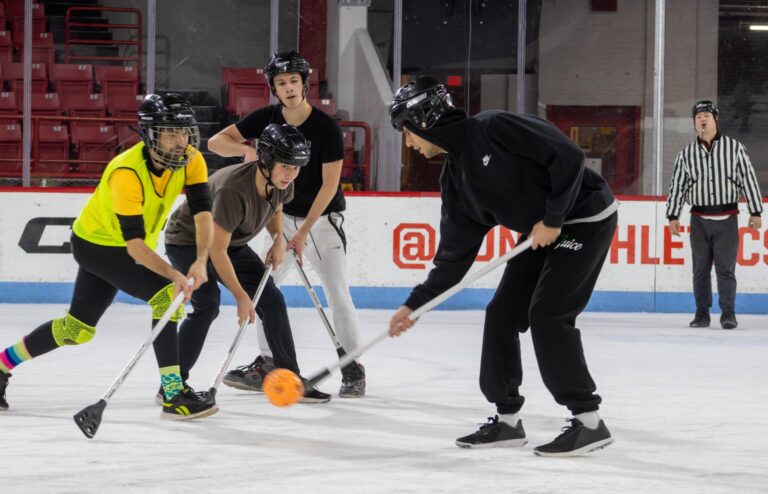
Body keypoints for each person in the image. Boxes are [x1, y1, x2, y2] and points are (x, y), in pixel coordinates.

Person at [386, 77, 619, 457]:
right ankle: (507, 420)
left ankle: (589, 422)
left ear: (425, 120)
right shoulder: (457, 182)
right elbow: (453, 259)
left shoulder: (494, 128)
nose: (408, 141)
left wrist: (555, 217)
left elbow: (569, 158)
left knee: (548, 313)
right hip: (539, 231)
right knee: (501, 314)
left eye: (407, 131)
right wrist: (415, 304)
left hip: (586, 217)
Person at [0, 93, 217, 420]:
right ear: (150, 134)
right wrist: (174, 275)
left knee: (76, 330)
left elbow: (202, 214)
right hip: (97, 246)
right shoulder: (125, 172)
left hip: (125, 248)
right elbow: (134, 247)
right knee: (164, 297)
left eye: (185, 132)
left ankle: (1, 365)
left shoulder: (190, 159)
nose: (181, 141)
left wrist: (200, 261)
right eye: (171, 133)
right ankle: (174, 394)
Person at [207, 50, 365, 398]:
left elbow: (329, 185)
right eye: (282, 83)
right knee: (267, 291)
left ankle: (352, 365)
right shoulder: (266, 118)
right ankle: (268, 361)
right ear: (274, 89)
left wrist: (304, 230)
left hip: (321, 222)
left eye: (294, 81)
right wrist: (248, 153)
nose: (289, 88)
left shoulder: (326, 128)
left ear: (305, 84)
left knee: (337, 293)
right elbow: (216, 142)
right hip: (278, 218)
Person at [163, 123, 330, 403]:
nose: (290, 174)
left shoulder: (282, 183)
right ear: (265, 160)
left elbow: (276, 207)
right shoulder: (233, 190)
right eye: (285, 166)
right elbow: (216, 251)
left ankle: (289, 375)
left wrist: (278, 239)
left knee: (273, 301)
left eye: (296, 167)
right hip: (188, 241)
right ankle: (171, 384)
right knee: (208, 304)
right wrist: (241, 296)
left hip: (232, 243)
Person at [666, 100, 763, 330]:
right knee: (700, 269)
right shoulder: (686, 154)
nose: (702, 119)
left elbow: (747, 179)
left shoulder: (734, 148)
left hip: (727, 219)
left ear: (715, 120)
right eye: (698, 116)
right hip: (698, 220)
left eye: (707, 115)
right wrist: (673, 215)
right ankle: (702, 313)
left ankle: (728, 313)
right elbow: (677, 186)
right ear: (693, 122)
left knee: (725, 270)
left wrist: (755, 210)